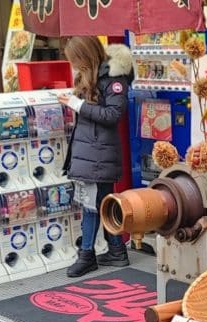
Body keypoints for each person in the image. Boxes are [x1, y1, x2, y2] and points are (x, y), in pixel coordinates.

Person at [58, 37, 133, 277]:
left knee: (92, 206)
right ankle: (117, 251)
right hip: (92, 153)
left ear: (85, 57)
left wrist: (77, 105)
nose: (73, 65)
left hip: (99, 154)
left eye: (75, 60)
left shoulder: (113, 78)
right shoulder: (92, 77)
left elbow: (113, 115)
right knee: (102, 203)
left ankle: (87, 255)